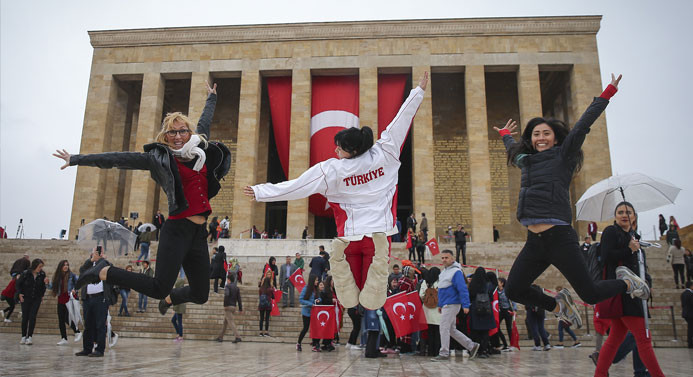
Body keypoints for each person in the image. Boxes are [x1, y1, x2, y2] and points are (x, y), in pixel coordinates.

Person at [245, 72, 428, 311]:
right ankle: (371, 292)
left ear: (350, 150)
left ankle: (342, 274)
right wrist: (418, 92)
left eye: (339, 148)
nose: (335, 150)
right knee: (372, 290)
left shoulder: (331, 170)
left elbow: (296, 187)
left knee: (347, 293)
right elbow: (402, 120)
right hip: (378, 238)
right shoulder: (385, 153)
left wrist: (261, 192)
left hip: (349, 238)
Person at [55, 81, 231, 317]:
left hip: (198, 235)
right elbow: (118, 158)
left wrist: (212, 97)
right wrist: (77, 159)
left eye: (182, 131)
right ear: (165, 137)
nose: (178, 136)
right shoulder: (159, 159)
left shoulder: (200, 148)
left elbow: (205, 121)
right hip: (177, 229)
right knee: (158, 287)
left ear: (189, 133)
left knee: (200, 294)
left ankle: (171, 298)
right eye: (172, 132)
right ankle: (105, 270)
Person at [493, 73, 649, 330]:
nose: (540, 137)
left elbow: (582, 125)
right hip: (535, 241)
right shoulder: (526, 160)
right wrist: (507, 135)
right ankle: (559, 305)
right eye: (535, 134)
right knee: (514, 289)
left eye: (546, 133)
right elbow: (513, 151)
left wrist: (607, 93)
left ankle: (628, 283)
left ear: (555, 138)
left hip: (559, 238)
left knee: (590, 294)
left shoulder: (563, 156)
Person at [594, 201, 665, 377]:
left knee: (614, 340)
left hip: (634, 292)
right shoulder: (611, 232)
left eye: (628, 212)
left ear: (634, 216)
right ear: (615, 216)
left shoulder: (635, 237)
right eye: (620, 212)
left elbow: (640, 266)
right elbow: (605, 257)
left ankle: (600, 374)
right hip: (625, 292)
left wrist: (647, 282)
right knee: (643, 339)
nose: (624, 215)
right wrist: (628, 249)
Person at [431, 249, 480, 361]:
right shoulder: (444, 272)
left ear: (452, 258)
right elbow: (442, 290)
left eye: (446, 257)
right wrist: (440, 304)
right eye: (442, 258)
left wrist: (466, 305)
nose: (444, 260)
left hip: (452, 303)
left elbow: (462, 289)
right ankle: (471, 346)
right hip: (446, 304)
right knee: (451, 329)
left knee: (443, 327)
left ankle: (444, 353)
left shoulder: (456, 272)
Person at [75, 249, 115, 357]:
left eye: (100, 252)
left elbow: (112, 271)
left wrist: (103, 260)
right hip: (88, 298)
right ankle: (87, 348)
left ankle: (99, 349)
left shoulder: (105, 264)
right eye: (96, 252)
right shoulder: (88, 264)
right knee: (88, 324)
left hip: (101, 298)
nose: (98, 254)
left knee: (100, 325)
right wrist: (91, 260)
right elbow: (82, 271)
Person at [16, 258, 48, 345]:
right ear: (35, 266)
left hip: (36, 298)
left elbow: (43, 287)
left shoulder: (42, 274)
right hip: (26, 298)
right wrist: (19, 294)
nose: (40, 268)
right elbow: (18, 284)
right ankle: (23, 336)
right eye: (39, 266)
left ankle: (29, 336)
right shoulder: (26, 273)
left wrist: (43, 292)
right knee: (25, 317)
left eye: (41, 267)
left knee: (33, 317)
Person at [51, 260, 82, 345]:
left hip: (69, 299)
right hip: (61, 299)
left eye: (67, 265)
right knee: (61, 319)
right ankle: (64, 338)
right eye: (64, 265)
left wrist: (75, 289)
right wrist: (46, 284)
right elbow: (52, 286)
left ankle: (77, 332)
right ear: (60, 266)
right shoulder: (57, 276)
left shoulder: (71, 275)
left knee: (67, 318)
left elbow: (79, 282)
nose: (66, 266)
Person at [468, 267, 495, 358]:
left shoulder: (472, 285)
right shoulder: (488, 285)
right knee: (485, 332)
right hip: (486, 309)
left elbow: (470, 296)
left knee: (476, 331)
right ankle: (484, 350)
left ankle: (477, 350)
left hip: (475, 309)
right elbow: (491, 297)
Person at [420, 267, 441, 356]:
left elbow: (421, 295)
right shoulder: (440, 282)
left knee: (429, 332)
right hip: (437, 310)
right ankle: (437, 351)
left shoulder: (425, 282)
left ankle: (430, 351)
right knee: (437, 332)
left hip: (427, 309)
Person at [217, 273, 242, 343]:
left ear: (228, 280)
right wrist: (240, 308)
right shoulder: (236, 287)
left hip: (228, 306)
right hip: (233, 306)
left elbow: (227, 295)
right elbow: (239, 299)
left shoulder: (227, 286)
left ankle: (237, 337)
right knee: (225, 322)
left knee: (231, 322)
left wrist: (225, 305)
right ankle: (220, 337)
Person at [525, 284, 551, 351]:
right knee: (541, 328)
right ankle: (547, 344)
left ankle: (537, 345)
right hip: (541, 311)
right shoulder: (541, 295)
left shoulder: (529, 295)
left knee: (534, 328)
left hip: (532, 312)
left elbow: (526, 305)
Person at [296, 275, 319, 352]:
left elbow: (319, 297)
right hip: (307, 312)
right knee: (305, 328)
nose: (317, 282)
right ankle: (299, 343)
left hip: (315, 312)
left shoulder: (316, 289)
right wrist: (310, 304)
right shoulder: (306, 288)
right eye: (316, 280)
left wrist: (319, 299)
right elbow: (301, 299)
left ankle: (315, 345)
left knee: (315, 328)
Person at [497, 277, 516, 351]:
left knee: (509, 328)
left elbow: (513, 300)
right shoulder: (496, 291)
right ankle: (505, 344)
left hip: (508, 310)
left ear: (502, 283)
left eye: (498, 282)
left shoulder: (507, 291)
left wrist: (514, 309)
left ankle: (512, 345)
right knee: (497, 327)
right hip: (500, 311)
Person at [258, 270, 274, 337]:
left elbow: (259, 295)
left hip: (261, 305)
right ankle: (266, 332)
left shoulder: (261, 289)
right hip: (268, 305)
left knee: (261, 318)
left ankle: (261, 332)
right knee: (267, 318)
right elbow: (273, 296)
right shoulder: (270, 289)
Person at [171, 276, 186, 342]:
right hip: (179, 308)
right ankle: (178, 334)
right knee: (173, 320)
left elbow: (177, 302)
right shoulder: (180, 290)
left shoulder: (179, 291)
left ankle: (181, 336)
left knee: (179, 322)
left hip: (179, 309)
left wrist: (174, 310)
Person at [682, 281, 693, 349]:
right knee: (691, 329)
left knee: (690, 328)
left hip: (686, 313)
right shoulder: (690, 294)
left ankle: (690, 342)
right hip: (691, 314)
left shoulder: (683, 293)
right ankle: (690, 343)